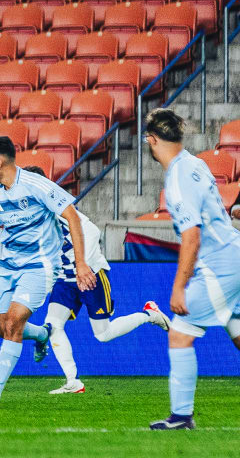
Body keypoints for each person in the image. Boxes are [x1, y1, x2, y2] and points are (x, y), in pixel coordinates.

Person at [0, 137, 95, 408]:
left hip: (40, 266)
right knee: (2, 327)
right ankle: (43, 334)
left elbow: (73, 216)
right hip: (8, 267)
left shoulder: (37, 185)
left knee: (13, 323)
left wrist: (80, 263)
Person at [17, 165, 171, 395]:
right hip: (63, 279)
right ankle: (73, 381)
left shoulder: (58, 207)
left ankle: (150, 314)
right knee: (53, 325)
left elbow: (91, 232)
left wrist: (82, 265)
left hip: (91, 274)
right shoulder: (31, 216)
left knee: (103, 334)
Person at [143, 108, 240, 430]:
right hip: (234, 251)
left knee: (180, 334)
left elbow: (192, 236)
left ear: (151, 139)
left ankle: (181, 416)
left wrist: (178, 286)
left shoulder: (177, 179)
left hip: (220, 264)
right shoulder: (196, 163)